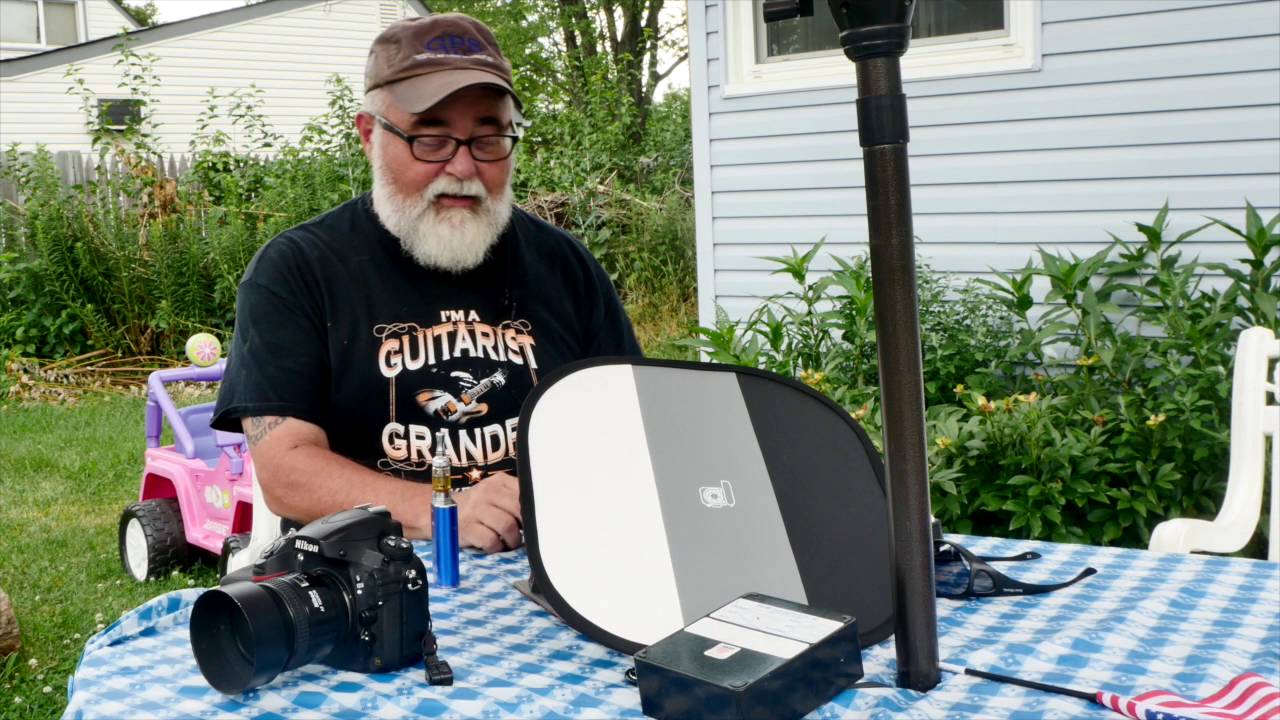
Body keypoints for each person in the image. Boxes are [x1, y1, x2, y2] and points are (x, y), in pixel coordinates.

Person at [211, 12, 642, 555]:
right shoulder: (298, 270)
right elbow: (286, 472)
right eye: (432, 139)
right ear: (369, 135)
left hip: (551, 561)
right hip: (363, 572)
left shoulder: (564, 266)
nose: (462, 167)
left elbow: (629, 424)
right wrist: (444, 509)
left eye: (488, 138)